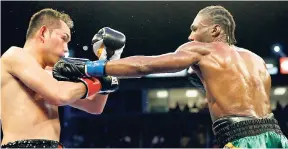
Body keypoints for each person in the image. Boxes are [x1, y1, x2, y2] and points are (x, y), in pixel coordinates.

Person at [53, 5, 288, 148]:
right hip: (278, 137)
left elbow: (146, 66)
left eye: (196, 28)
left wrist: (90, 68)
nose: (191, 35)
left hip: (241, 140)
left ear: (216, 30)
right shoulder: (256, 60)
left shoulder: (201, 50)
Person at [1, 8, 125, 148]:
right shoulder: (15, 55)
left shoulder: (51, 74)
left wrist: (110, 60)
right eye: (63, 38)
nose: (66, 49)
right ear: (43, 32)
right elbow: (59, 95)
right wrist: (97, 81)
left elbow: (94, 106)